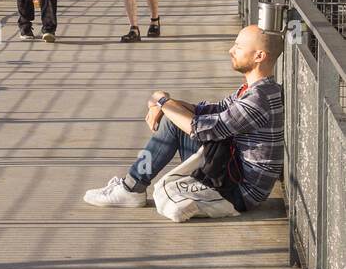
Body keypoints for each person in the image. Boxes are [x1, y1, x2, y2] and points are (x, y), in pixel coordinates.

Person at [82, 26, 284, 222]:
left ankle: (131, 188)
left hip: (240, 190)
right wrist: (163, 103)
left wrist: (162, 102)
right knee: (175, 118)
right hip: (232, 170)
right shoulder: (255, 89)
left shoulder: (258, 99)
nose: (231, 50)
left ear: (259, 56)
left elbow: (201, 129)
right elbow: (209, 109)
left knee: (175, 122)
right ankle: (131, 187)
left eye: (238, 47)